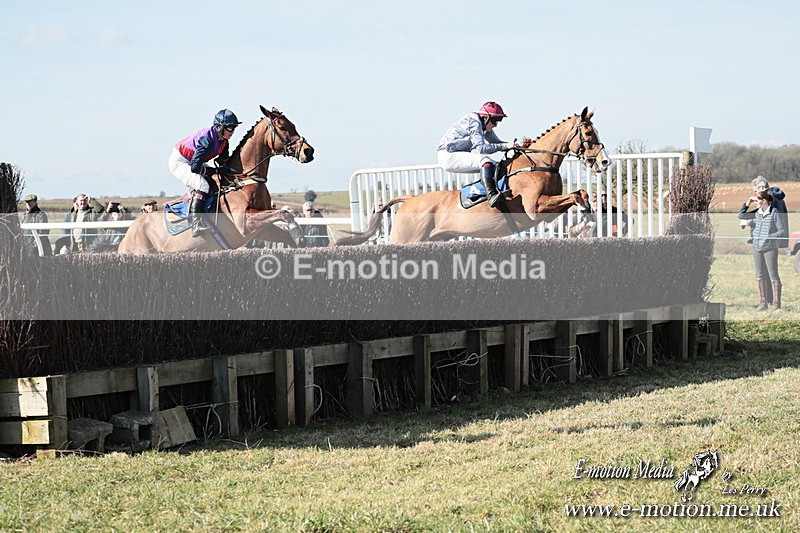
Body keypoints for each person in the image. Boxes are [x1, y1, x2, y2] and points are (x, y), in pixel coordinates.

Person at [436, 101, 531, 208]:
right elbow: (481, 148)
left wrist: (512, 146)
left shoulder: (484, 125)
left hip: (458, 154)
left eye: (498, 121)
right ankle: (491, 196)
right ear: (485, 118)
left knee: (498, 166)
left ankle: (496, 193)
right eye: (495, 121)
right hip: (448, 156)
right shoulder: (474, 122)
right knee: (485, 160)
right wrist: (505, 146)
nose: (496, 125)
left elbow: (497, 143)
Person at [169, 109, 241, 237]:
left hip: (193, 161)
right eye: (230, 128)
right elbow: (195, 169)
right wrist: (217, 170)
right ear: (219, 127)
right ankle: (195, 224)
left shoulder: (224, 141)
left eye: (234, 128)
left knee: (215, 181)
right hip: (180, 161)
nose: (232, 132)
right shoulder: (206, 140)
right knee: (202, 185)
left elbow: (223, 159)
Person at [738, 190, 789, 310]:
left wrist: (769, 237)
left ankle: (776, 304)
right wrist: (747, 204)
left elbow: (782, 231)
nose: (755, 203)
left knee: (773, 275)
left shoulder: (774, 212)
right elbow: (741, 216)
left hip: (770, 248)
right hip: (757, 247)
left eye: (757, 201)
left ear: (764, 201)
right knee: (759, 276)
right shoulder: (757, 213)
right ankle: (763, 303)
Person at [747, 176, 788, 305]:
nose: (756, 195)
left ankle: (774, 302)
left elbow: (769, 218)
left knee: (771, 273)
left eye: (756, 191)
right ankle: (767, 301)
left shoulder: (771, 199)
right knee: (763, 273)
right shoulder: (774, 197)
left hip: (770, 239)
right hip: (764, 240)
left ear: (760, 188)